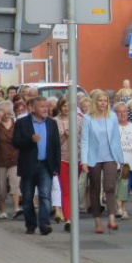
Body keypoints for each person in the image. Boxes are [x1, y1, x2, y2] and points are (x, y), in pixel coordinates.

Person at [12, 96, 61, 236]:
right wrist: (30, 140)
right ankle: (31, 224)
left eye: (46, 106)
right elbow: (15, 142)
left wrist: (56, 166)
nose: (45, 108)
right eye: (42, 106)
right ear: (32, 108)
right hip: (28, 166)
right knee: (27, 198)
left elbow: (56, 146)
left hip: (46, 165)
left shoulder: (52, 123)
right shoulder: (22, 123)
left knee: (45, 196)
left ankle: (44, 224)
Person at [81, 90, 124, 234]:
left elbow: (116, 139)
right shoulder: (87, 118)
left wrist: (120, 159)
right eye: (100, 100)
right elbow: (85, 141)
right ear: (95, 102)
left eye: (105, 101)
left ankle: (112, 218)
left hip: (110, 156)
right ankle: (97, 221)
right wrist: (84, 161)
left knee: (110, 186)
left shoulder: (112, 117)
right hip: (94, 157)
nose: (103, 103)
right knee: (95, 188)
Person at [0, 101, 19, 219]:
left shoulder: (16, 123)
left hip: (14, 157)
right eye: (3, 113)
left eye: (8, 113)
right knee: (1, 188)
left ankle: (16, 208)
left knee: (15, 183)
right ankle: (2, 209)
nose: (6, 115)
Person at [52, 97, 75, 229]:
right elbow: (55, 144)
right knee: (66, 189)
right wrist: (64, 137)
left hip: (77, 158)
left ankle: (71, 213)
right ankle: (69, 218)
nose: (66, 108)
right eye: (64, 106)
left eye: (69, 106)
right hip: (62, 158)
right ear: (60, 107)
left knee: (74, 189)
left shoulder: (78, 120)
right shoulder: (54, 122)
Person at [115, 102, 132, 220]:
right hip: (118, 161)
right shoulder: (113, 127)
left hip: (131, 160)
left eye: (124, 111)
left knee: (126, 185)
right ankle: (120, 207)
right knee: (119, 185)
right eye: (119, 112)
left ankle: (122, 207)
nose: (122, 114)